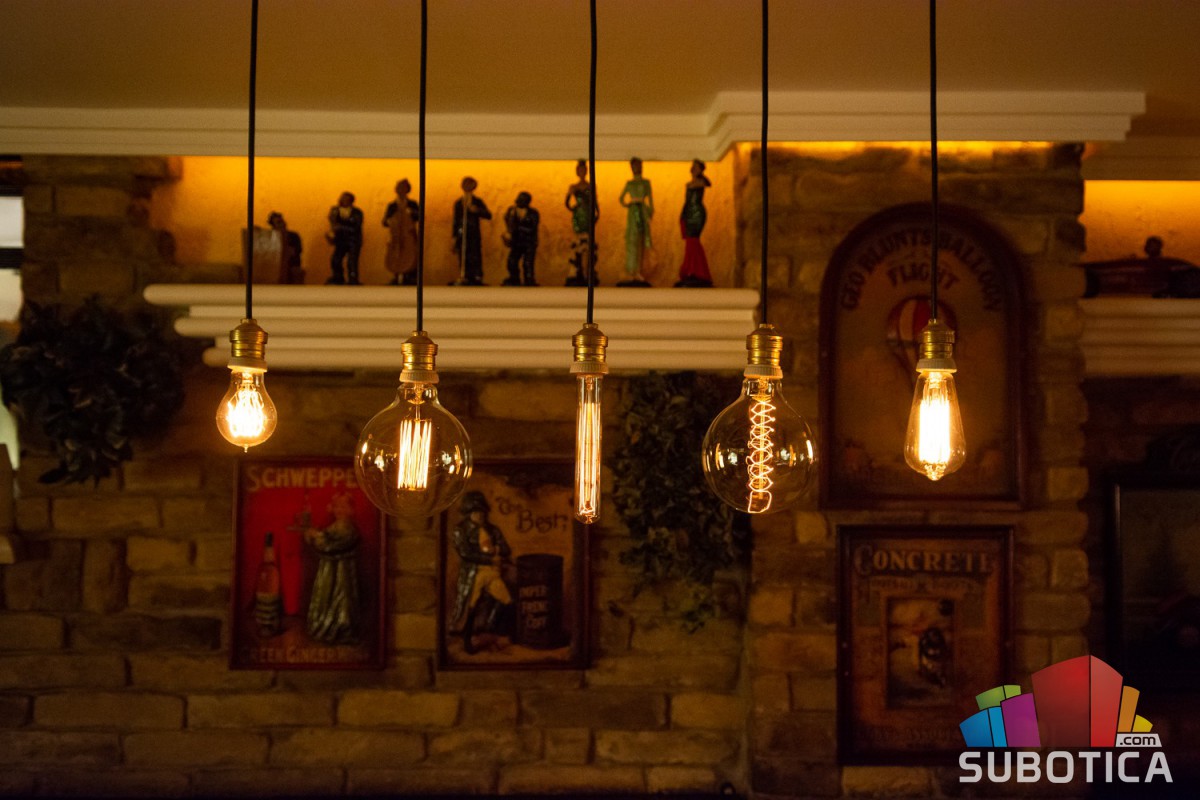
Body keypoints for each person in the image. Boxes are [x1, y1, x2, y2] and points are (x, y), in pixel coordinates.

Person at [450, 491, 514, 654]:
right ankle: (467, 639)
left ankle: (491, 628)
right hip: (474, 573)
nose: (480, 515)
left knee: (507, 601)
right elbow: (466, 553)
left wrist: (497, 550)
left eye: (482, 512)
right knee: (471, 606)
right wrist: (490, 559)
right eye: (476, 512)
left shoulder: (492, 530)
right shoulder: (461, 530)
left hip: (492, 573)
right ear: (469, 513)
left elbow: (506, 549)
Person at [304, 492, 362, 644]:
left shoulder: (348, 529)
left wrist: (317, 537)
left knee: (341, 600)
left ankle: (341, 629)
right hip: (329, 571)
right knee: (326, 598)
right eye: (337, 506)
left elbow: (331, 546)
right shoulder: (336, 526)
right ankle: (327, 627)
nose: (340, 510)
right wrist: (315, 534)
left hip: (343, 572)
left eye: (344, 506)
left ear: (351, 510)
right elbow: (326, 535)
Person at [676, 159, 714, 287]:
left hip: (697, 214)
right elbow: (687, 201)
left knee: (693, 241)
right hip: (688, 213)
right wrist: (682, 215)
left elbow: (708, 183)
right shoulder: (691, 183)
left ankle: (697, 270)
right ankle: (692, 269)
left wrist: (701, 177)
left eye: (696, 167)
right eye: (693, 166)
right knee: (690, 242)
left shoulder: (700, 182)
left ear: (700, 170)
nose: (693, 168)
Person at [618, 157, 653, 286]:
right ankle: (630, 271)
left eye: (638, 165)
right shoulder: (629, 184)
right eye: (634, 166)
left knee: (641, 240)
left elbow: (651, 200)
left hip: (642, 211)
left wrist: (650, 212)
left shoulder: (646, 183)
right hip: (633, 213)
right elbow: (621, 199)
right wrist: (629, 204)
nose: (636, 168)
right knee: (631, 240)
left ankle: (638, 271)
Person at [451, 177, 492, 285]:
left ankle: (477, 276)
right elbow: (456, 220)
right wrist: (454, 236)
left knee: (475, 254)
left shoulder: (477, 202)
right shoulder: (458, 203)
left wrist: (477, 210)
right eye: (465, 184)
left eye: (470, 185)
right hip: (462, 232)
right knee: (462, 254)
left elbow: (488, 215)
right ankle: (465, 275)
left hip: (473, 233)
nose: (467, 187)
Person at [564, 159, 599, 287]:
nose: (582, 172)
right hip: (578, 215)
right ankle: (577, 271)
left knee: (588, 243)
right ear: (577, 171)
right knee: (578, 242)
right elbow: (567, 202)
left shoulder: (591, 186)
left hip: (588, 215)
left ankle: (587, 272)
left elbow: (595, 202)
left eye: (584, 170)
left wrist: (596, 214)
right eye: (580, 170)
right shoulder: (573, 187)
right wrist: (574, 208)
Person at [383, 179, 420, 286]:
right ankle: (396, 275)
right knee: (396, 253)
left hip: (409, 234)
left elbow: (419, 217)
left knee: (412, 254)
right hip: (395, 235)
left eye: (403, 188)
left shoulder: (412, 204)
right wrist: (389, 221)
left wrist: (412, 212)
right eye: (399, 188)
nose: (401, 190)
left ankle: (410, 276)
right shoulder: (392, 205)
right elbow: (384, 221)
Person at [325, 191, 363, 285]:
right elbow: (333, 222)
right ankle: (338, 277)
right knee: (336, 259)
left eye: (345, 199)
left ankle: (353, 279)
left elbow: (356, 227)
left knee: (352, 261)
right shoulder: (335, 210)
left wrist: (341, 227)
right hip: (340, 240)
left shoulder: (357, 212)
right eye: (341, 198)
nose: (342, 201)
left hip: (353, 240)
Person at [503, 192, 540, 286]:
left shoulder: (533, 213)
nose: (518, 202)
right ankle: (514, 278)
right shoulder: (512, 210)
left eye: (522, 200)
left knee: (528, 263)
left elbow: (532, 228)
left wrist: (518, 227)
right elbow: (507, 221)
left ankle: (529, 280)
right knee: (512, 261)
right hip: (516, 241)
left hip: (529, 242)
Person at [267, 211, 304, 284]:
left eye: (282, 221)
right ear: (273, 226)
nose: (283, 224)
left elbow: (296, 251)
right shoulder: (271, 238)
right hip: (275, 271)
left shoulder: (293, 236)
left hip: (291, 268)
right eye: (279, 222)